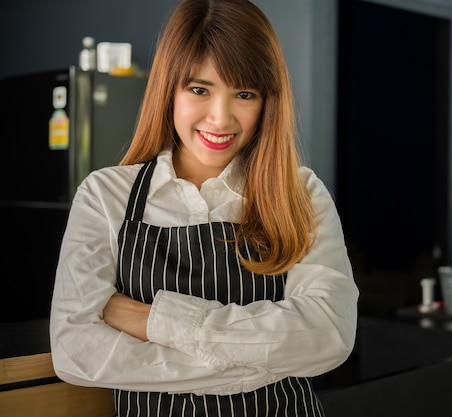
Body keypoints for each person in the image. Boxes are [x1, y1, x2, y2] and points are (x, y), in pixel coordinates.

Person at [49, 0, 359, 415]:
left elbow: (328, 333)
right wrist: (255, 366)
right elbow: (76, 351)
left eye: (244, 94)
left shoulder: (300, 193)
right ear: (169, 90)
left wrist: (153, 320)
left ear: (268, 103)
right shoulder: (105, 196)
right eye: (200, 89)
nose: (221, 117)